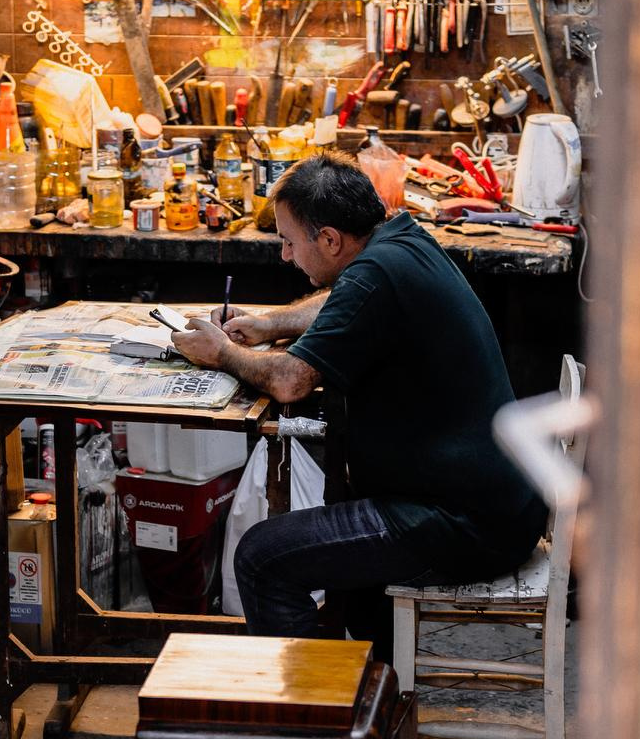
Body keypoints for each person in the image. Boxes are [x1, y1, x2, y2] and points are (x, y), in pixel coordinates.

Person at [170, 150, 547, 648]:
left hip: (464, 522)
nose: (284, 255)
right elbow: (342, 302)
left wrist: (222, 353)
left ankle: (307, 718)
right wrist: (270, 324)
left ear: (329, 239)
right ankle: (372, 690)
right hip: (488, 502)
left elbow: (291, 381)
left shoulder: (376, 274)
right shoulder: (400, 240)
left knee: (263, 557)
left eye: (288, 242)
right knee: (336, 528)